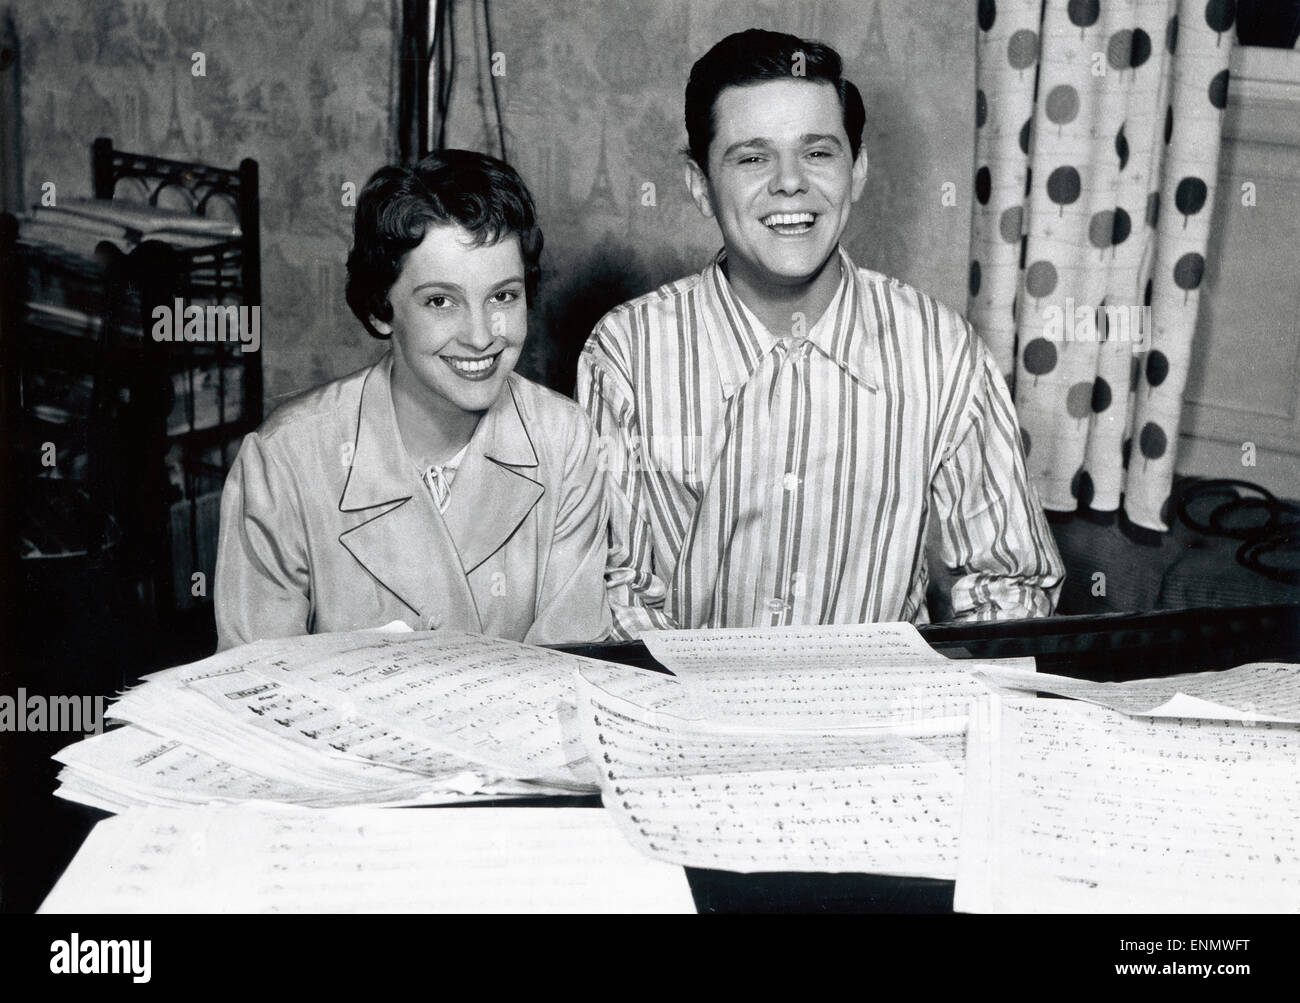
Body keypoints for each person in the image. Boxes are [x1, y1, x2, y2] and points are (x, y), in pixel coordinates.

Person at [576, 29, 1065, 637]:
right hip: (690, 713)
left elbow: (1010, 589)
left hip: (880, 714)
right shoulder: (625, 354)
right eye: (752, 157)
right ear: (699, 184)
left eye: (817, 152)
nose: (790, 182)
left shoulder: (943, 351)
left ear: (856, 170)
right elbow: (616, 591)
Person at [215, 150, 611, 650]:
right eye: (440, 301)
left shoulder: (565, 440)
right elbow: (255, 688)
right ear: (382, 309)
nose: (480, 335)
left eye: (503, 296)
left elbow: (572, 668)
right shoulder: (285, 461)